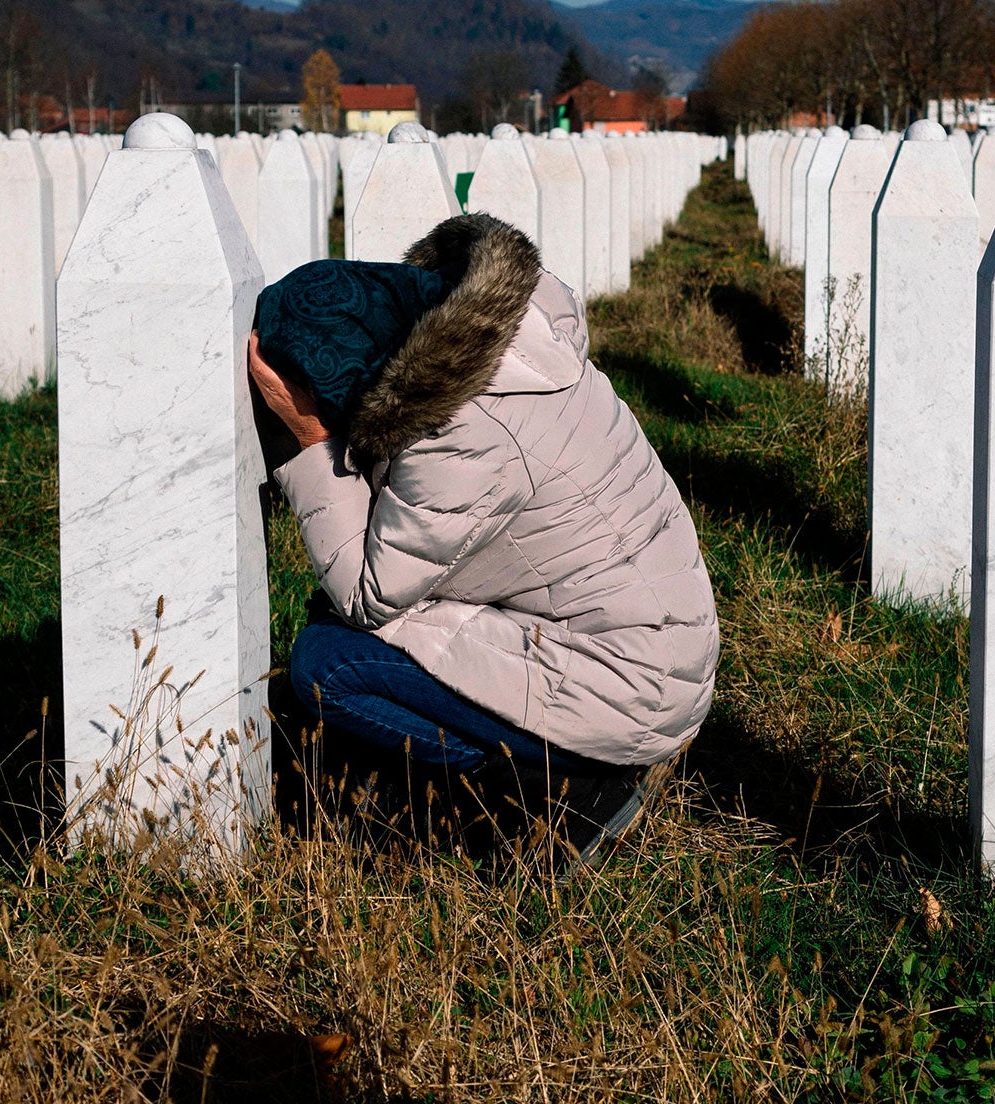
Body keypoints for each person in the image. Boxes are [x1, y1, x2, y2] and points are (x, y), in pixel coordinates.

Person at [248, 212, 719, 863]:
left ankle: (566, 793)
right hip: (649, 647)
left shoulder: (462, 430)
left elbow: (369, 594)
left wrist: (307, 442)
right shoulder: (513, 352)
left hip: (628, 687)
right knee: (345, 625)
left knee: (330, 663)